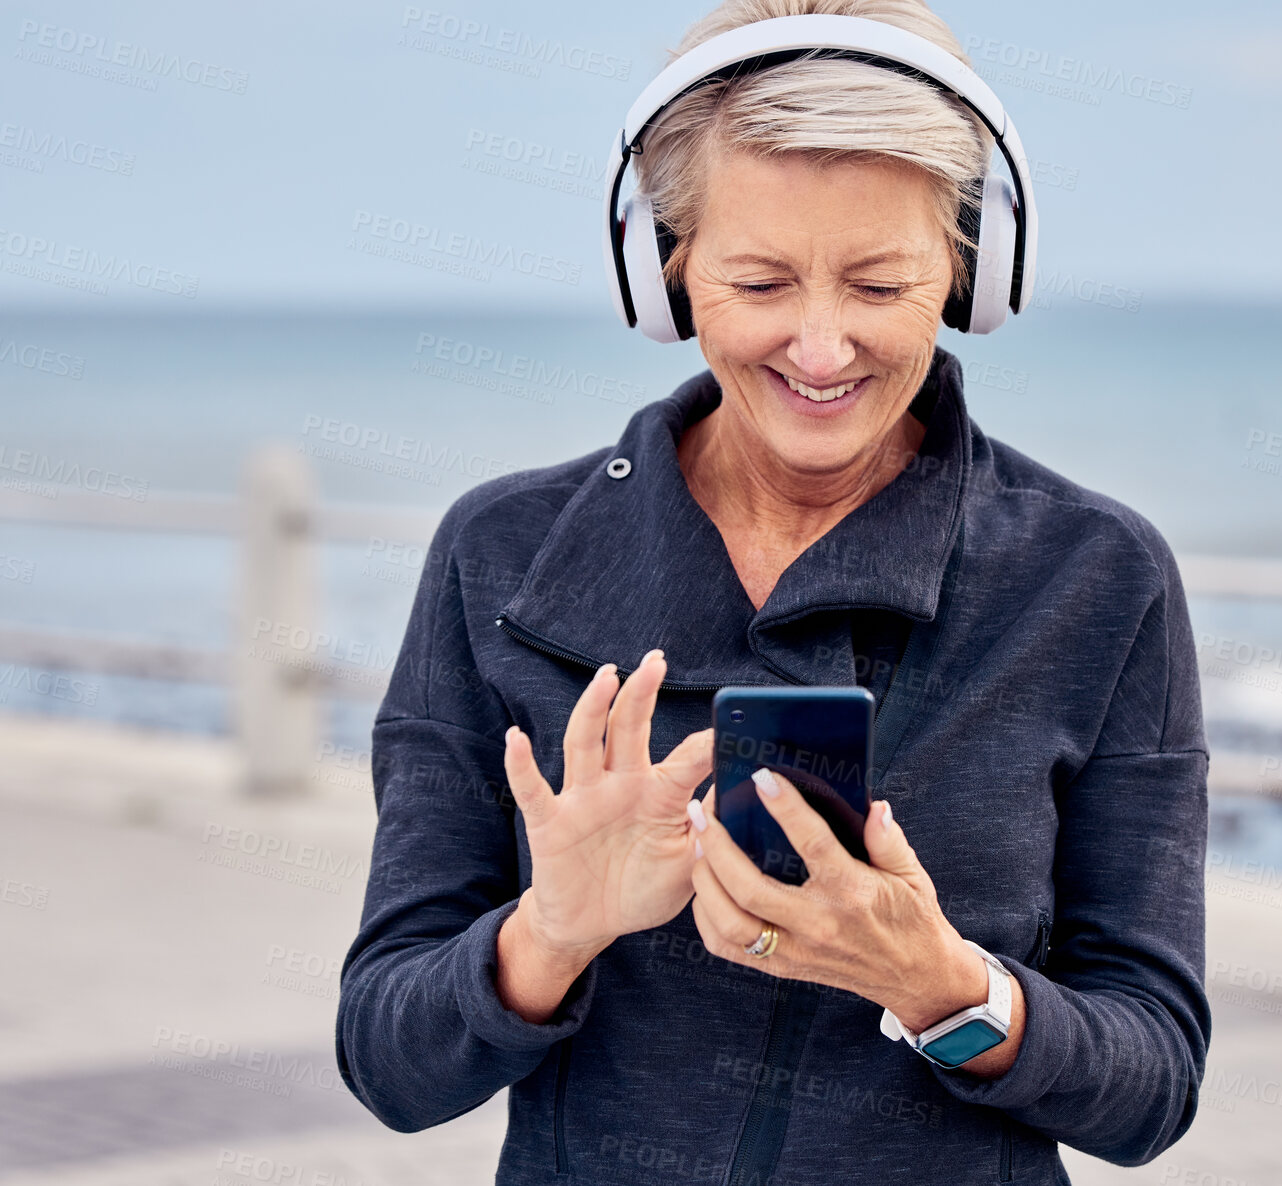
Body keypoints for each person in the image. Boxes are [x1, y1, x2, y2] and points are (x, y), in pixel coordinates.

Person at [335, 2, 1211, 1182]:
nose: (820, 347)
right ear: (666, 270)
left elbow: (1150, 1086)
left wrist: (943, 985)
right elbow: (389, 1062)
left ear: (967, 268)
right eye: (758, 283)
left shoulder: (1097, 578)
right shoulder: (500, 552)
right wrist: (550, 932)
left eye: (878, 284)